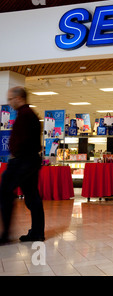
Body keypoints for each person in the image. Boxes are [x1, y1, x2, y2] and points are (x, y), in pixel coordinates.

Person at [0, 87, 45, 244]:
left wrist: (15, 153)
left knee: (4, 191)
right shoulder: (28, 115)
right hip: (30, 160)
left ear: (19, 98)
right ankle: (37, 232)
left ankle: (5, 234)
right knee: (32, 196)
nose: (10, 102)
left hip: (22, 161)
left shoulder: (25, 116)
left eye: (11, 99)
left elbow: (22, 141)